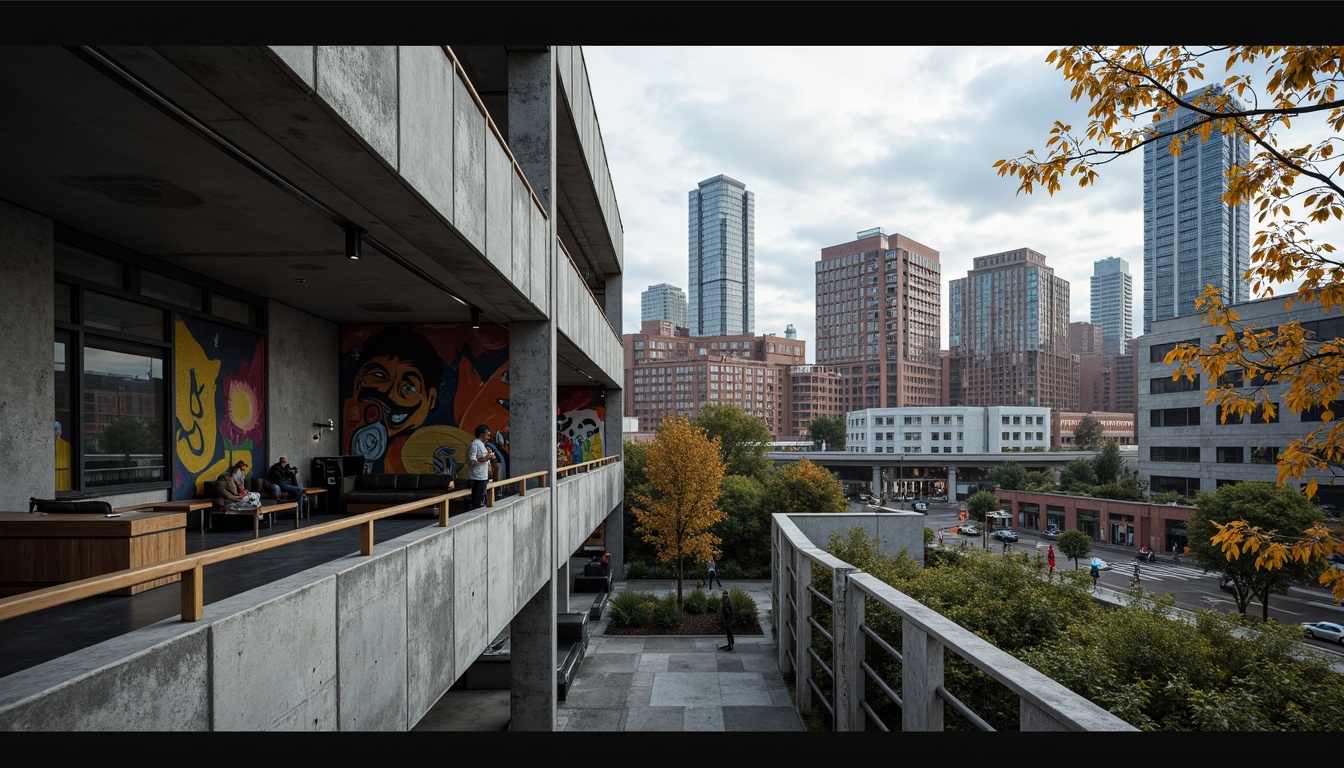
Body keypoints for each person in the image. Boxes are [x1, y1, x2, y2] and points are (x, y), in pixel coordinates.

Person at [466, 424, 496, 510]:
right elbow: (472, 462)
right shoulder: (474, 445)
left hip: (484, 476)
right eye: (487, 434)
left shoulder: (483, 445)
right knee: (477, 500)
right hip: (477, 477)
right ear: (482, 434)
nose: (488, 437)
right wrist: (486, 458)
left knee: (483, 498)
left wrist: (489, 456)